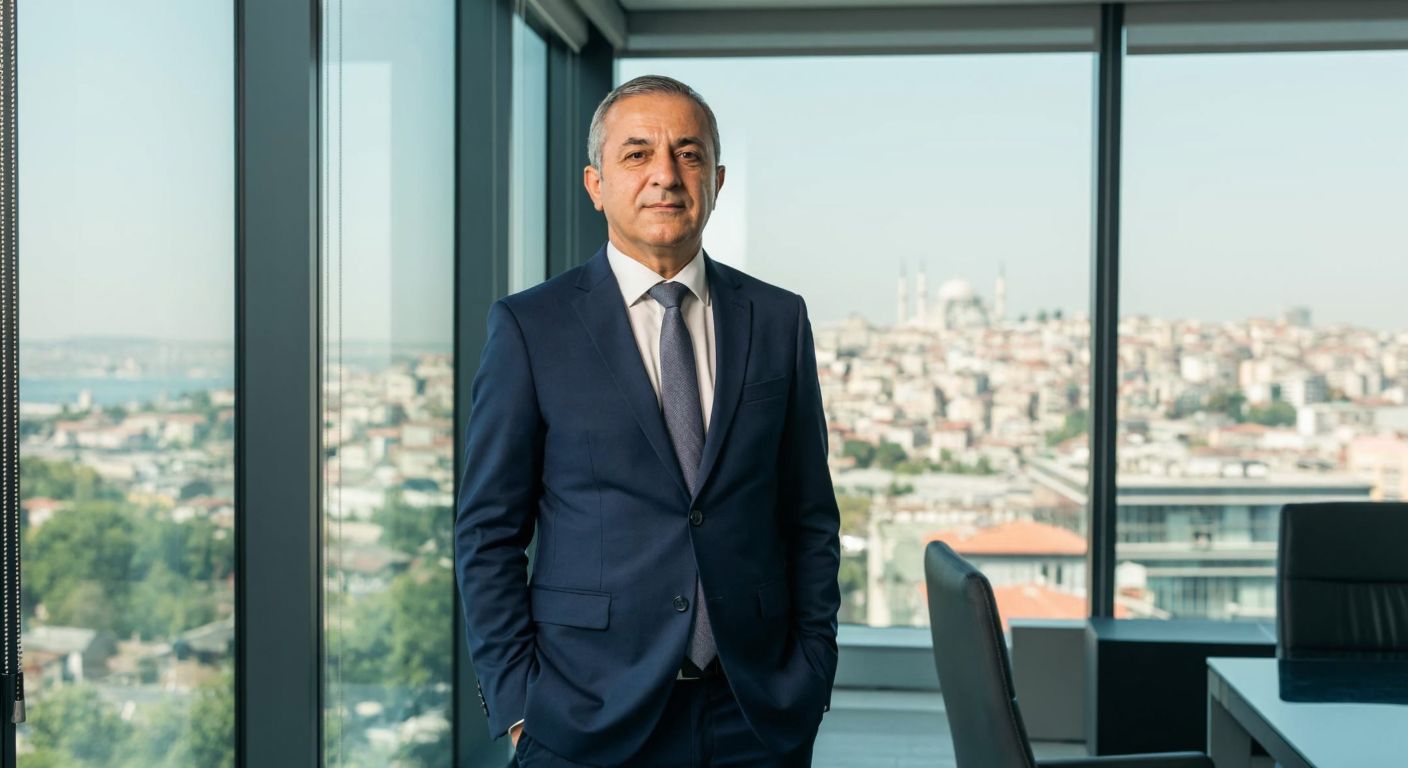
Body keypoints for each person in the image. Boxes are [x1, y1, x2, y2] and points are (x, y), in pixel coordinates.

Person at [455, 74, 840, 767]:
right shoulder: (530, 327)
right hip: (583, 714)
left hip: (755, 714)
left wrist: (811, 677)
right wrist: (517, 705)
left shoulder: (780, 319)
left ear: (717, 180)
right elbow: (487, 532)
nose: (666, 174)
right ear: (595, 183)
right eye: (637, 154)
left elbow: (809, 515)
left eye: (688, 154)